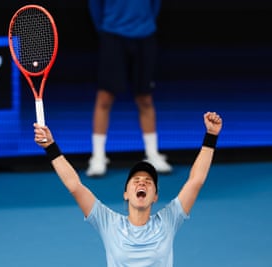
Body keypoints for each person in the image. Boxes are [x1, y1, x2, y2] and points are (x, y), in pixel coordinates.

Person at [33, 111, 223, 267]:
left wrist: (211, 137)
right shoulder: (108, 223)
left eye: (148, 181)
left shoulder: (168, 220)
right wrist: (51, 147)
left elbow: (195, 181)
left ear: (155, 196)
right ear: (126, 193)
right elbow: (75, 186)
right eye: (136, 180)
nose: (142, 183)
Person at [86, 0, 171, 177]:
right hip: (113, 35)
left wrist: (144, 25)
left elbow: (155, 4)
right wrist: (108, 27)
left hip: (145, 35)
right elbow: (95, 5)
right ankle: (98, 157)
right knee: (104, 98)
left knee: (145, 99)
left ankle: (152, 154)